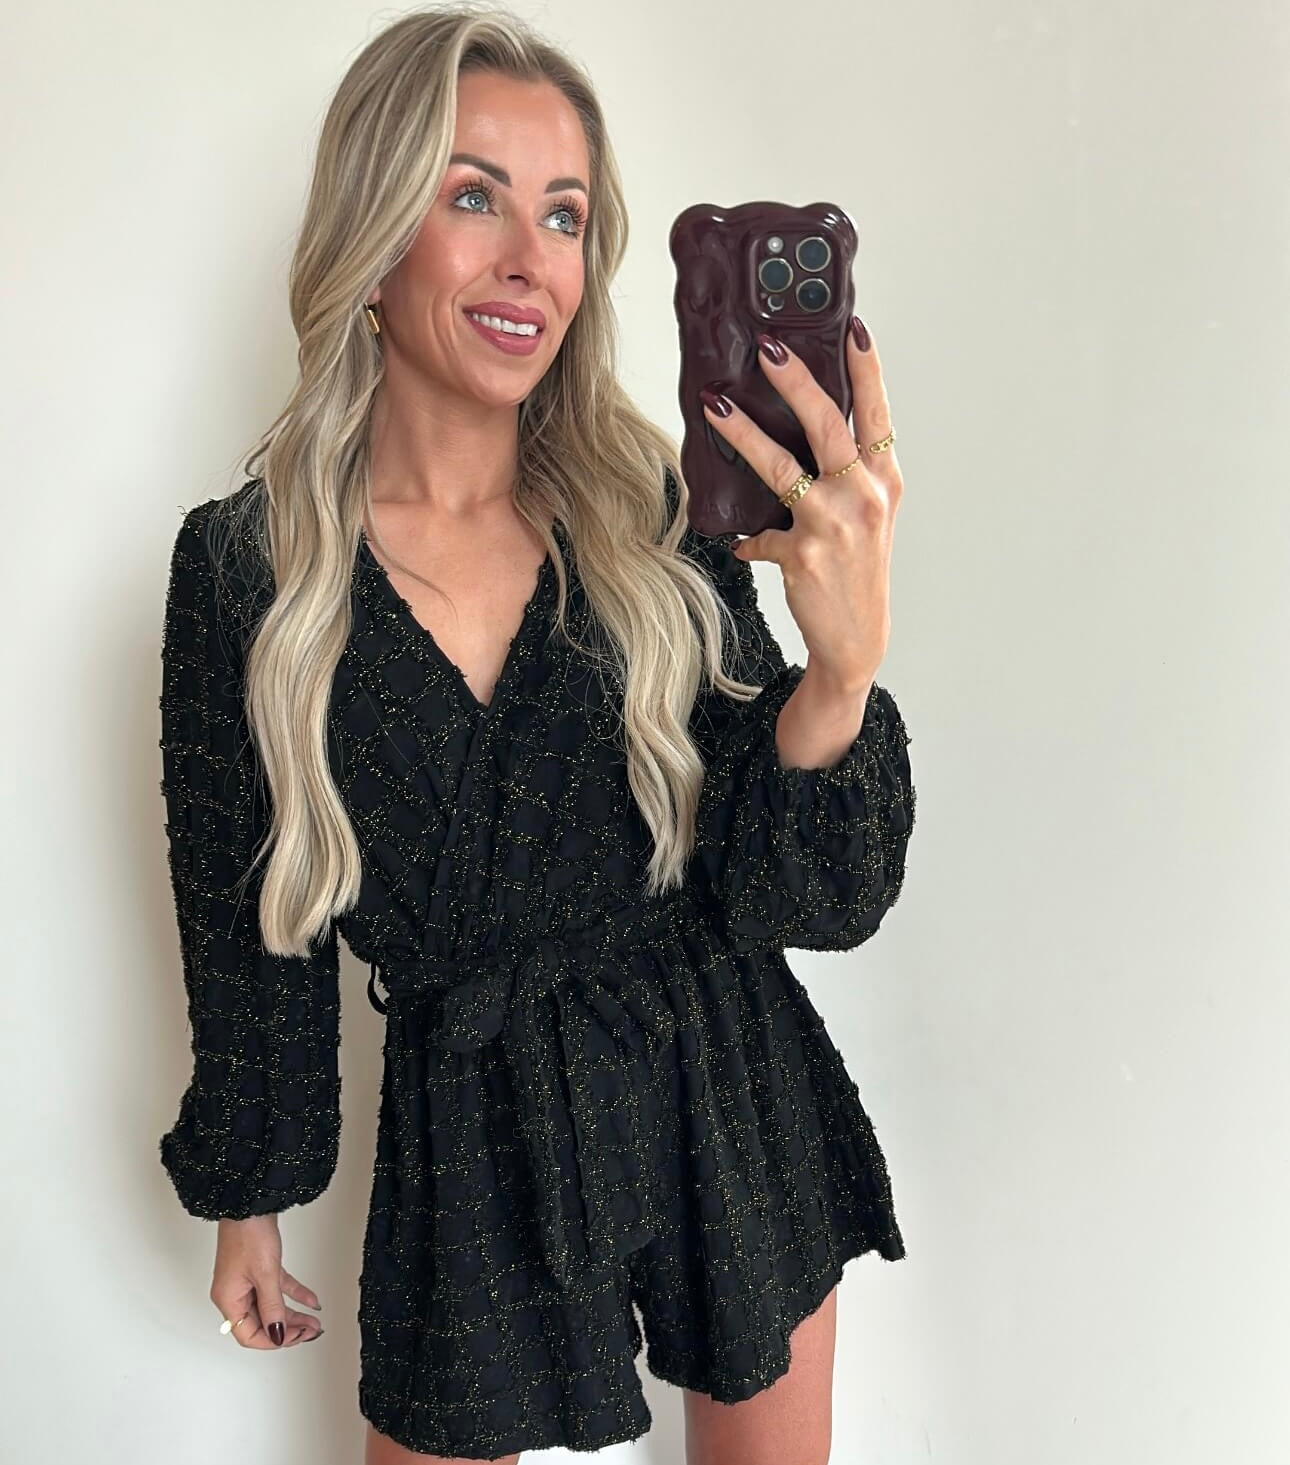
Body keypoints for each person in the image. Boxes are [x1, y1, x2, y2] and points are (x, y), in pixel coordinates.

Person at [155, 6, 915, 1462]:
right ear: (375, 234)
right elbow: (242, 905)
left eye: (563, 214)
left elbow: (802, 894)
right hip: (474, 1124)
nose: (530, 259)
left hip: (725, 1084)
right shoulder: (249, 570)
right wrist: (249, 1196)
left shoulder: (649, 516)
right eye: (472, 197)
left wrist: (841, 669)